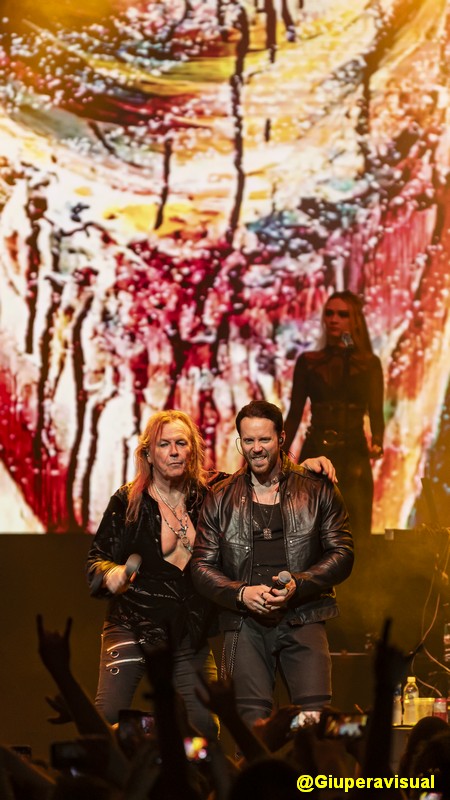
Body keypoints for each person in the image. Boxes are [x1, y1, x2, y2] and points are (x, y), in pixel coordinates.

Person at [86, 409, 334, 739]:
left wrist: (303, 469)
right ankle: (137, 752)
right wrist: (111, 574)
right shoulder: (128, 501)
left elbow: (263, 472)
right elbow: (96, 561)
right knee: (106, 720)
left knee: (204, 727)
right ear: (148, 453)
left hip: (188, 633)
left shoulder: (214, 491)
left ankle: (177, 759)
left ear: (193, 449)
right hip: (134, 625)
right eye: (164, 445)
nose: (174, 452)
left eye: (181, 443)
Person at [191, 400, 354, 729]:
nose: (256, 448)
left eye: (264, 439)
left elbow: (343, 553)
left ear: (281, 438)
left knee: (315, 723)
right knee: (251, 727)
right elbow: (201, 567)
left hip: (304, 614)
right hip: (245, 622)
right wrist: (241, 594)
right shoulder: (220, 496)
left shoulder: (317, 487)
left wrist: (299, 584)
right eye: (248, 440)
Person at [283, 290, 385, 536]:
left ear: (355, 320)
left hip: (354, 456)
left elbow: (376, 410)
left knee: (356, 531)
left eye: (342, 314)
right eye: (329, 313)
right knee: (309, 528)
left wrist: (378, 440)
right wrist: (279, 451)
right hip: (317, 449)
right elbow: (294, 413)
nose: (334, 319)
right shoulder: (309, 362)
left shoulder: (368, 364)